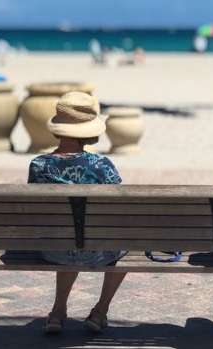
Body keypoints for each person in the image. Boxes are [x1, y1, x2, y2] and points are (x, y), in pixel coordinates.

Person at [28, 91, 128, 335]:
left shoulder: (38, 166)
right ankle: (100, 311)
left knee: (68, 233)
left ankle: (57, 313)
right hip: (96, 253)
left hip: (53, 250)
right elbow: (119, 208)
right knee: (127, 240)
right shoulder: (102, 166)